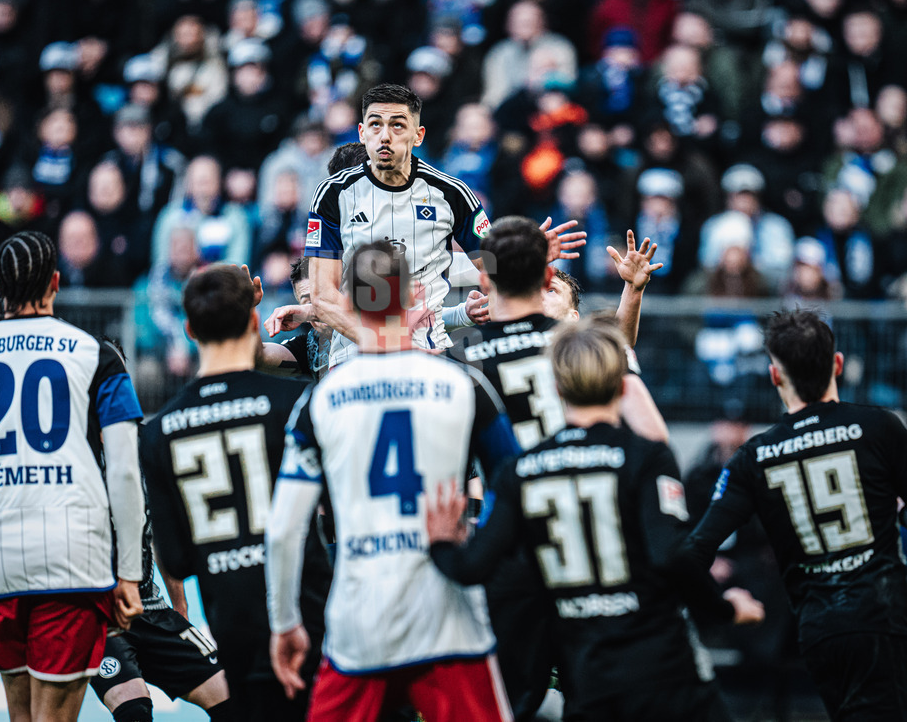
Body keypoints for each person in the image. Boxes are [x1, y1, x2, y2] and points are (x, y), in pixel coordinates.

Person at [427, 315, 765, 722]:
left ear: (557, 388)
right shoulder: (646, 456)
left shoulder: (521, 471)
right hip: (663, 668)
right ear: (623, 386)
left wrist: (442, 542)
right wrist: (724, 608)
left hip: (587, 675)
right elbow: (672, 555)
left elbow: (473, 567)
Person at [266, 240, 521, 722]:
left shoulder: (322, 400)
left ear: (350, 304)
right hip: (447, 613)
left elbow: (283, 530)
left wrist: (285, 623)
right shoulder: (461, 385)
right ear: (410, 297)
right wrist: (475, 551)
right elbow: (516, 484)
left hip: (360, 621)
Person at [0, 230, 145, 722]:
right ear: (55, 283)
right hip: (73, 559)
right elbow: (123, 469)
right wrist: (128, 573)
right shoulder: (96, 355)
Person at [447, 218, 668, 720]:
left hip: (510, 540)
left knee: (512, 694)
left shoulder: (463, 359)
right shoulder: (582, 350)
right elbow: (651, 431)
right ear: (544, 282)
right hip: (583, 528)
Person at [682, 310, 907, 719]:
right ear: (836, 364)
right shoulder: (880, 428)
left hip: (819, 631)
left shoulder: (753, 458)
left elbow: (693, 554)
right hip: (884, 616)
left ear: (775, 376)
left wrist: (722, 608)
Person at [265, 83, 584, 366]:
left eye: (398, 125)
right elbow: (323, 295)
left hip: (429, 355)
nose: (386, 136)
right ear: (362, 133)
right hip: (354, 357)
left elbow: (492, 269)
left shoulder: (453, 194)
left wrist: (524, 257)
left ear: (418, 135)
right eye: (375, 125)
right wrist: (381, 343)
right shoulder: (332, 195)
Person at [139, 263, 330, 722]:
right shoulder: (295, 405)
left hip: (235, 631)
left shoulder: (159, 432)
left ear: (188, 329)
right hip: (312, 620)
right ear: (252, 321)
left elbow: (179, 560)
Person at [90, 487, 233, 722]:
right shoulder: (78, 462)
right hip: (100, 615)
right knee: (134, 710)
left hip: (153, 610)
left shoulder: (143, 460)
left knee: (231, 699)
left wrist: (180, 608)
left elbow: (160, 536)